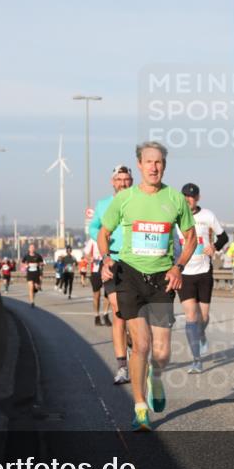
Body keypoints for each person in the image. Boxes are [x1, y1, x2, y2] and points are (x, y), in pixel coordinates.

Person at [98, 142, 196, 431]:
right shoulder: (125, 199)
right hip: (129, 275)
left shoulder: (175, 199)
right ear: (139, 165)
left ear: (164, 166)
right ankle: (140, 407)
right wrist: (105, 258)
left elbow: (190, 238)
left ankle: (156, 376)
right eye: (148, 162)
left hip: (162, 279)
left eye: (159, 162)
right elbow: (104, 233)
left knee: (162, 352)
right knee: (140, 345)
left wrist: (179, 266)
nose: (154, 167)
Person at [90, 165, 136, 382]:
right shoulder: (103, 205)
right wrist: (104, 246)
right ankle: (122, 366)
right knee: (118, 310)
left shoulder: (139, 201)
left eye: (126, 179)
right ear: (112, 182)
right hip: (113, 260)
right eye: (119, 179)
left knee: (135, 315)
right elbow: (94, 228)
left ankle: (136, 346)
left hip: (136, 262)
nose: (123, 183)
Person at [177, 183, 228, 374]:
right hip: (184, 273)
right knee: (191, 316)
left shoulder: (207, 215)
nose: (189, 199)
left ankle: (202, 333)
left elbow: (224, 237)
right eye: (185, 196)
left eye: (192, 196)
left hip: (204, 270)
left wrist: (214, 247)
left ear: (198, 198)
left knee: (203, 317)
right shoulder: (176, 217)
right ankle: (196, 360)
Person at [83, 237, 108, 326]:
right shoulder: (93, 240)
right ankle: (96, 316)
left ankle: (105, 314)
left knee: (108, 294)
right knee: (96, 295)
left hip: (107, 269)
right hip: (96, 270)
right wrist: (90, 258)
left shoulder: (109, 237)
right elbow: (86, 254)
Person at [21, 243, 44, 307]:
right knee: (30, 288)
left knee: (36, 288)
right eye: (31, 247)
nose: (32, 249)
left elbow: (42, 263)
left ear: (35, 249)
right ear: (29, 249)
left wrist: (39, 264)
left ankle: (36, 290)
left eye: (33, 247)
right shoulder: (26, 256)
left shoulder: (38, 256)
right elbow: (22, 263)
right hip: (29, 273)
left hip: (36, 273)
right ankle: (32, 302)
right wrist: (25, 265)